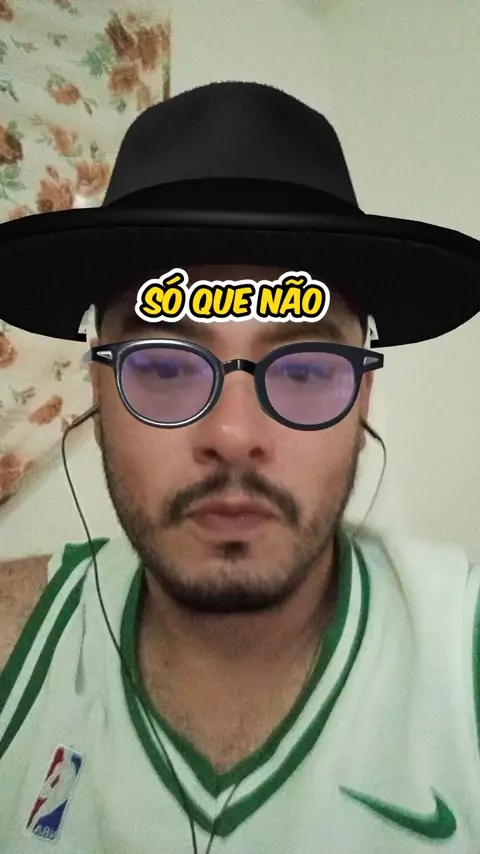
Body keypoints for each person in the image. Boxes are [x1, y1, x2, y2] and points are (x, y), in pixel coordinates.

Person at [0, 80, 479, 854]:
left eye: (305, 367)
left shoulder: (462, 656)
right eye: (164, 365)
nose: (232, 434)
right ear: (97, 386)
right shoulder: (16, 640)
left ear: (362, 394)